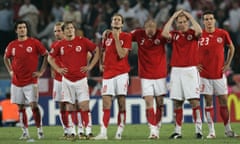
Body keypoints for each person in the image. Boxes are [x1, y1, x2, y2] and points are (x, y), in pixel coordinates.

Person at [48, 21, 99, 140]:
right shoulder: (59, 44)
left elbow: (96, 50)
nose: (70, 30)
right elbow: (50, 58)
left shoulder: (83, 41)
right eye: (67, 28)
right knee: (69, 107)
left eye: (72, 28)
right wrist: (58, 69)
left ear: (74, 29)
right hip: (67, 80)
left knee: (84, 106)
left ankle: (87, 131)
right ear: (64, 31)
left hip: (81, 80)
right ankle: (71, 132)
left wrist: (90, 66)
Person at [162, 9, 203, 139]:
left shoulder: (193, 33)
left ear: (188, 22)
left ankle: (199, 130)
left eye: (184, 22)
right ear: (176, 24)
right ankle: (178, 131)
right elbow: (164, 33)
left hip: (190, 70)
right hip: (176, 71)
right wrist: (173, 16)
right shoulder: (174, 34)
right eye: (179, 22)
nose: (182, 24)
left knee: (194, 101)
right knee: (177, 102)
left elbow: (200, 31)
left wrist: (190, 16)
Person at [3, 20, 48, 139]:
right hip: (17, 81)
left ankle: (40, 130)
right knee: (21, 107)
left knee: (34, 105)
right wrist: (10, 71)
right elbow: (5, 58)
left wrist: (41, 71)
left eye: (24, 27)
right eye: (20, 27)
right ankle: (25, 131)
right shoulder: (12, 45)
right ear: (16, 30)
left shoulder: (34, 43)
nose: (22, 29)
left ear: (26, 29)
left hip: (31, 81)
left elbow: (45, 55)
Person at [198, 10, 238, 138]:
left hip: (219, 75)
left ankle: (228, 130)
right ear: (203, 21)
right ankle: (211, 131)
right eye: (206, 19)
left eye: (210, 19)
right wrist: (194, 63)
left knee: (223, 102)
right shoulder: (199, 35)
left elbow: (231, 47)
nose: (209, 21)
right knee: (208, 102)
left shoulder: (222, 33)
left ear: (214, 20)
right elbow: (190, 50)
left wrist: (227, 64)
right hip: (204, 75)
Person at [94, 13, 132, 140]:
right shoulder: (106, 36)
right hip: (108, 74)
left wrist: (116, 38)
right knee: (106, 103)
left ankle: (119, 131)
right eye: (114, 20)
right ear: (111, 23)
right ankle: (103, 133)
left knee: (121, 103)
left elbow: (122, 54)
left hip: (121, 74)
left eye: (118, 20)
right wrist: (100, 63)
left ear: (122, 23)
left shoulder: (126, 37)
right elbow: (102, 50)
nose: (116, 21)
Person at [130, 19, 167, 139]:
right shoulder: (138, 34)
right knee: (148, 102)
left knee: (160, 103)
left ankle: (158, 124)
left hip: (160, 75)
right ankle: (152, 129)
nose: (151, 28)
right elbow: (124, 37)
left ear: (156, 27)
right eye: (148, 26)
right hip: (146, 76)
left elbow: (171, 37)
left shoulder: (162, 35)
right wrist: (111, 32)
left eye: (153, 26)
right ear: (144, 27)